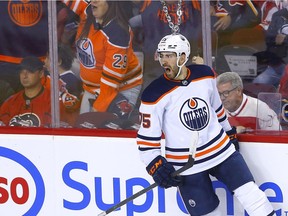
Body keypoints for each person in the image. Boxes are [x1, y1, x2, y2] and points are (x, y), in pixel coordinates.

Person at [136, 34, 275, 216]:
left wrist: (229, 133)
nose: (164, 61)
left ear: (183, 57)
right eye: (161, 55)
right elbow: (147, 139)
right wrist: (155, 165)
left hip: (220, 151)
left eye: (169, 55)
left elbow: (217, 109)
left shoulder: (205, 74)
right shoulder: (153, 94)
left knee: (253, 197)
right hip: (185, 163)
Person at [62, 0, 143, 122]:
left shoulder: (118, 33)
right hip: (92, 88)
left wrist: (97, 109)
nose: (93, 1)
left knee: (103, 129)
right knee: (84, 130)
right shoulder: (89, 12)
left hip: (121, 88)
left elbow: (111, 82)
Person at [217, 71, 281, 133]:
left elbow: (275, 138)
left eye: (226, 93)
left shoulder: (260, 108)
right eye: (219, 94)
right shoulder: (216, 110)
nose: (222, 98)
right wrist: (233, 132)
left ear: (238, 91)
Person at [0, 57, 52, 127]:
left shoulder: (53, 102)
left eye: (30, 71)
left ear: (41, 73)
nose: (24, 76)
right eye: (22, 72)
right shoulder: (10, 103)